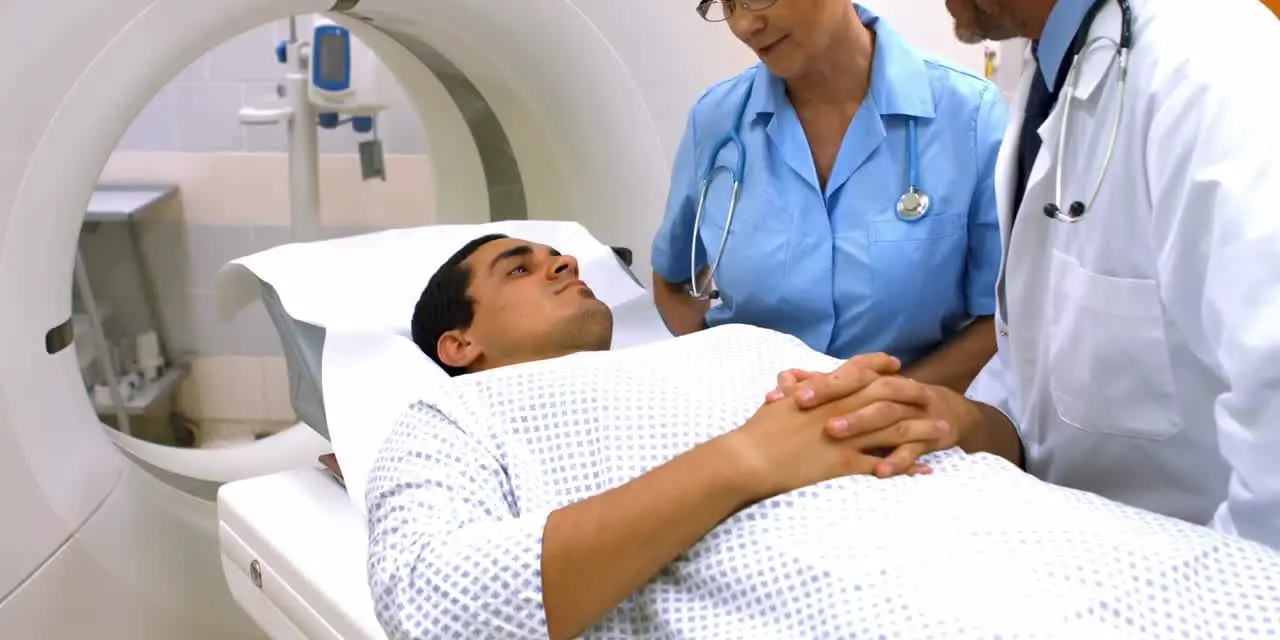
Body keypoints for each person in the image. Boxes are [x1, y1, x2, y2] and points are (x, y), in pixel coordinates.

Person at [368, 233, 1280, 640]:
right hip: (857, 588)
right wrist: (741, 463)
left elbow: (990, 443)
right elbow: (436, 604)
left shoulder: (742, 344)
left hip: (1038, 535)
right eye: (516, 268)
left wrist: (959, 418)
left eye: (553, 250)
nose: (561, 260)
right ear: (462, 343)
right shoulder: (453, 419)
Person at [767, 0, 1280, 550]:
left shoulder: (1220, 83)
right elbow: (1044, 382)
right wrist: (959, 417)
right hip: (1068, 547)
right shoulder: (1060, 62)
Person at [649, 0, 1008, 395]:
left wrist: (879, 403)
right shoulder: (716, 122)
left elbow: (999, 319)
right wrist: (722, 383)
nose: (743, 23)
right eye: (726, 0)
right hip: (753, 422)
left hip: (905, 421)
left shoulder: (970, 117)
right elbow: (672, 280)